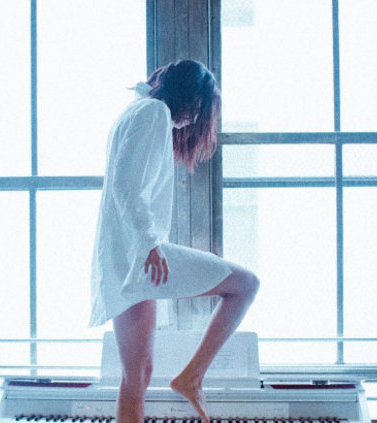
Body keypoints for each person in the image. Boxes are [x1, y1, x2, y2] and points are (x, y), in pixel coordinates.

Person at [89, 59, 259, 423]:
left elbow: (124, 185)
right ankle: (192, 377)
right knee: (246, 284)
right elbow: (126, 186)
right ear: (186, 96)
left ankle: (190, 377)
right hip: (140, 255)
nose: (196, 118)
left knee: (136, 376)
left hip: (123, 260)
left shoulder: (137, 110)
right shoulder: (153, 112)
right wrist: (151, 243)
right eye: (198, 107)